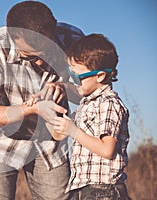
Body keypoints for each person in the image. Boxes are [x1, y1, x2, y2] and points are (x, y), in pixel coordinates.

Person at [0, 1, 84, 199]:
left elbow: (86, 93)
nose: (40, 62)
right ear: (11, 37)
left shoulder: (73, 40)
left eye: (47, 53)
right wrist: (33, 109)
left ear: (54, 28)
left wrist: (65, 88)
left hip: (50, 144)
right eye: (30, 57)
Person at [51, 34, 131, 199]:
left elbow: (106, 149)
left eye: (76, 77)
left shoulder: (108, 104)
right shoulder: (87, 103)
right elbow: (58, 134)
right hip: (83, 188)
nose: (72, 81)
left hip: (103, 190)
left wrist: (73, 131)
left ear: (100, 76)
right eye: (69, 73)